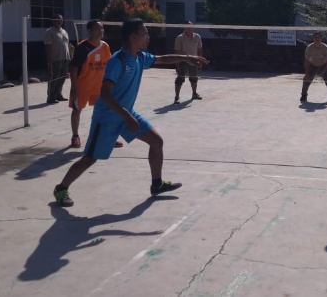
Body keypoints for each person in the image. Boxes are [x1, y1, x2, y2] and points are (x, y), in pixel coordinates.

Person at [53, 18, 210, 207]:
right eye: (145, 32)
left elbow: (161, 59)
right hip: (108, 117)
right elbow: (105, 92)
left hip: (127, 113)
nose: (148, 36)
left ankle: (157, 184)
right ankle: (61, 188)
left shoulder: (140, 57)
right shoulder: (117, 61)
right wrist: (127, 117)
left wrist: (186, 57)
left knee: (156, 141)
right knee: (90, 158)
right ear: (133, 36)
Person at [67, 20, 122, 149]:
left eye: (102, 29)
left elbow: (109, 65)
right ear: (90, 31)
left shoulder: (105, 46)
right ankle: (75, 136)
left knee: (104, 111)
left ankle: (106, 137)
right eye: (98, 28)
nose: (101, 31)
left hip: (99, 86)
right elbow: (74, 68)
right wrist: (73, 87)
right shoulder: (82, 47)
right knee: (77, 110)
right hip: (83, 85)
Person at [300, 32, 327, 103]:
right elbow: (306, 61)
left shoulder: (326, 48)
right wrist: (307, 73)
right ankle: (304, 95)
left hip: (324, 65)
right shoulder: (309, 48)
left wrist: (323, 71)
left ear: (321, 39)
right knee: (306, 79)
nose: (317, 39)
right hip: (313, 65)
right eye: (315, 38)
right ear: (313, 38)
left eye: (318, 37)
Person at [173, 20, 204, 103]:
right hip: (183, 61)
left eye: (190, 26)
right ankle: (177, 97)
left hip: (194, 61)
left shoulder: (197, 37)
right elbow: (177, 52)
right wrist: (177, 65)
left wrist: (200, 60)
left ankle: (194, 94)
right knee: (180, 79)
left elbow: (199, 49)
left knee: (194, 78)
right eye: (187, 27)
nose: (189, 28)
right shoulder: (180, 38)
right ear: (184, 27)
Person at [44, 13, 70, 105]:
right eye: (58, 19)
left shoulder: (64, 31)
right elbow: (48, 46)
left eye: (61, 19)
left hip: (65, 58)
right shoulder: (50, 32)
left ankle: (58, 94)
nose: (60, 21)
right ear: (53, 20)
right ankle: (51, 97)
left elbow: (67, 45)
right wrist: (49, 58)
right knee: (54, 78)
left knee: (62, 77)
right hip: (55, 58)